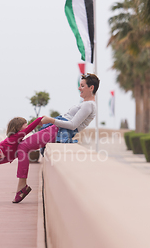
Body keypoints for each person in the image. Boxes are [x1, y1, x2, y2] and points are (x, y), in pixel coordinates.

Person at [12, 73, 100, 203]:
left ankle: (21, 186)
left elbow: (72, 125)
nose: (79, 88)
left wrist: (51, 120)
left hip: (56, 131)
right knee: (21, 145)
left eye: (82, 86)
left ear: (91, 88)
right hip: (54, 129)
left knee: (23, 146)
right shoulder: (86, 103)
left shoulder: (89, 105)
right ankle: (14, 177)